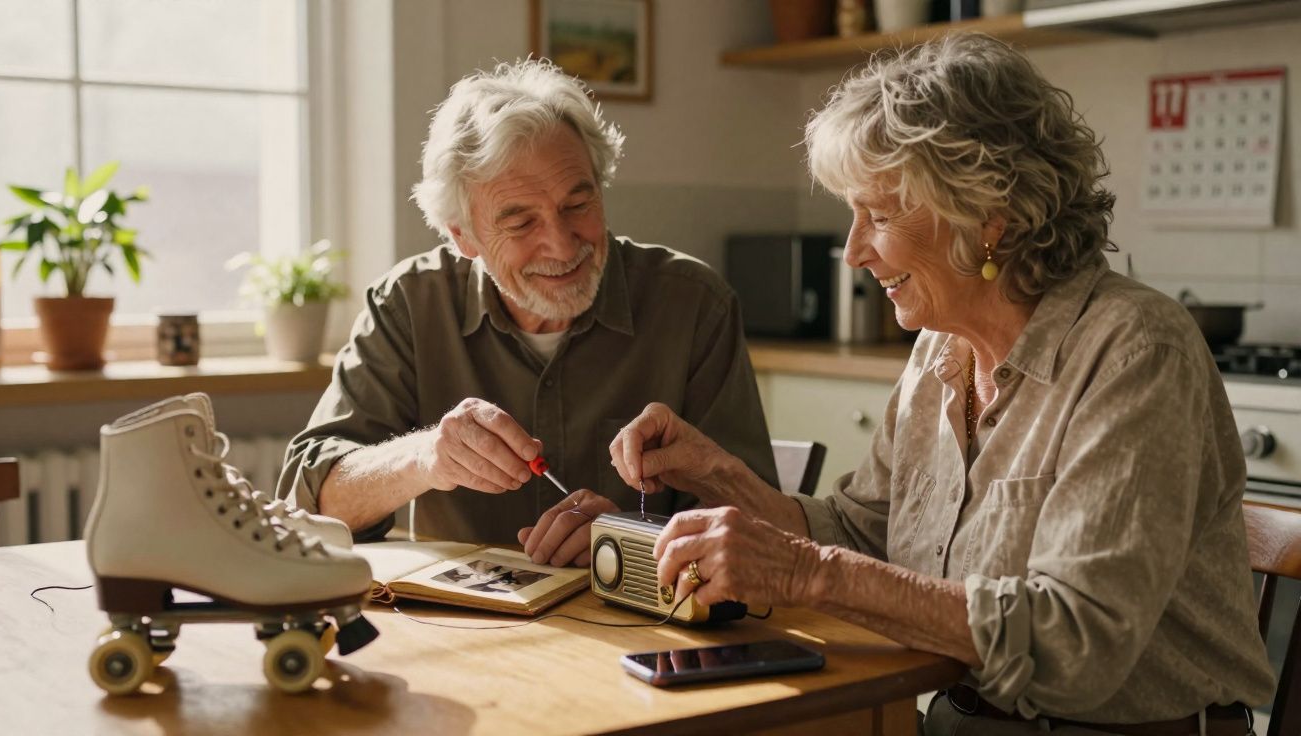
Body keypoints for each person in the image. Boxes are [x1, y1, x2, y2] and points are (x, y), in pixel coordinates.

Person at [609, 34, 1274, 734]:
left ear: (989, 215)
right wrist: (719, 475)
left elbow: (1075, 645)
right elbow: (862, 531)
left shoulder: (1135, 350)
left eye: (881, 214)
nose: (855, 252)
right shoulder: (941, 351)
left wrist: (805, 573)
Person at [277, 59, 777, 568]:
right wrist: (425, 457)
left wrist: (631, 543)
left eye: (577, 205)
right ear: (463, 236)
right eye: (520, 223)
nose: (561, 246)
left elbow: (759, 524)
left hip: (645, 633)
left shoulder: (694, 305)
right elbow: (310, 501)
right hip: (460, 632)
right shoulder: (408, 304)